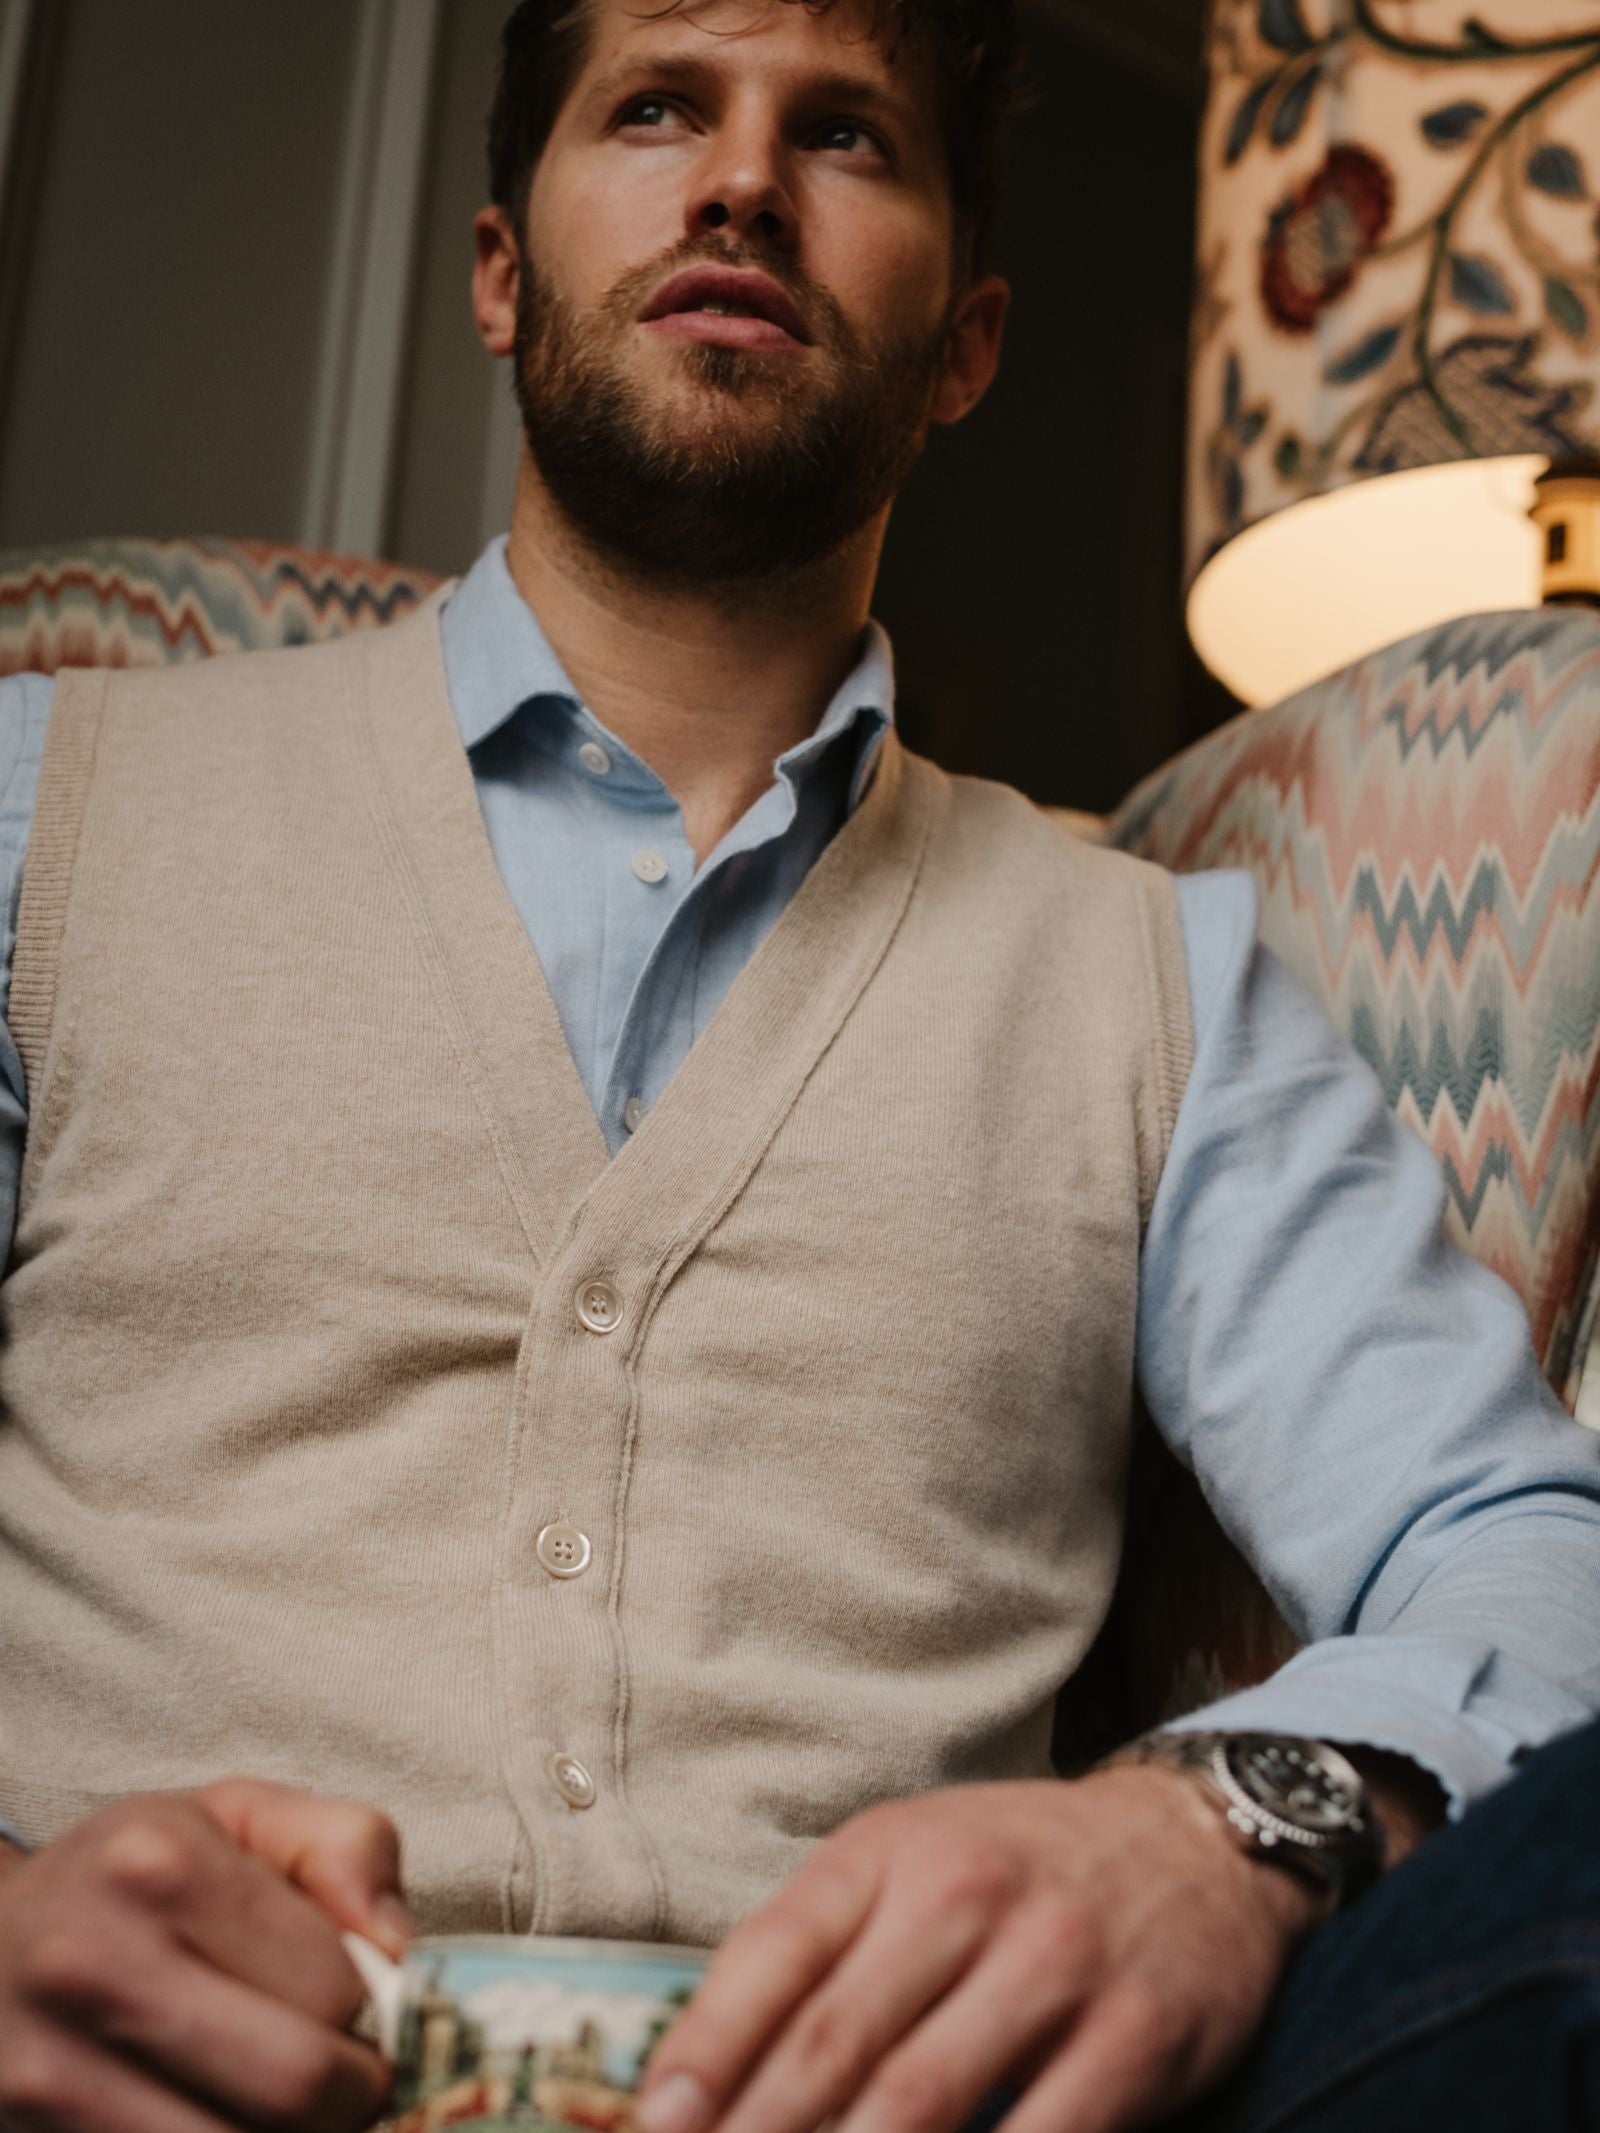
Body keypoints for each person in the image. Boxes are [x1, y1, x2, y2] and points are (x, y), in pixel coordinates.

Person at [0, 0, 1597, 2128]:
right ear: (500, 270)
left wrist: (1216, 1824)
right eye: (658, 105)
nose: (742, 179)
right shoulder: (41, 810)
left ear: (966, 344)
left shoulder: (1162, 982)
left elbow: (1520, 1544)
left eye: (843, 135)